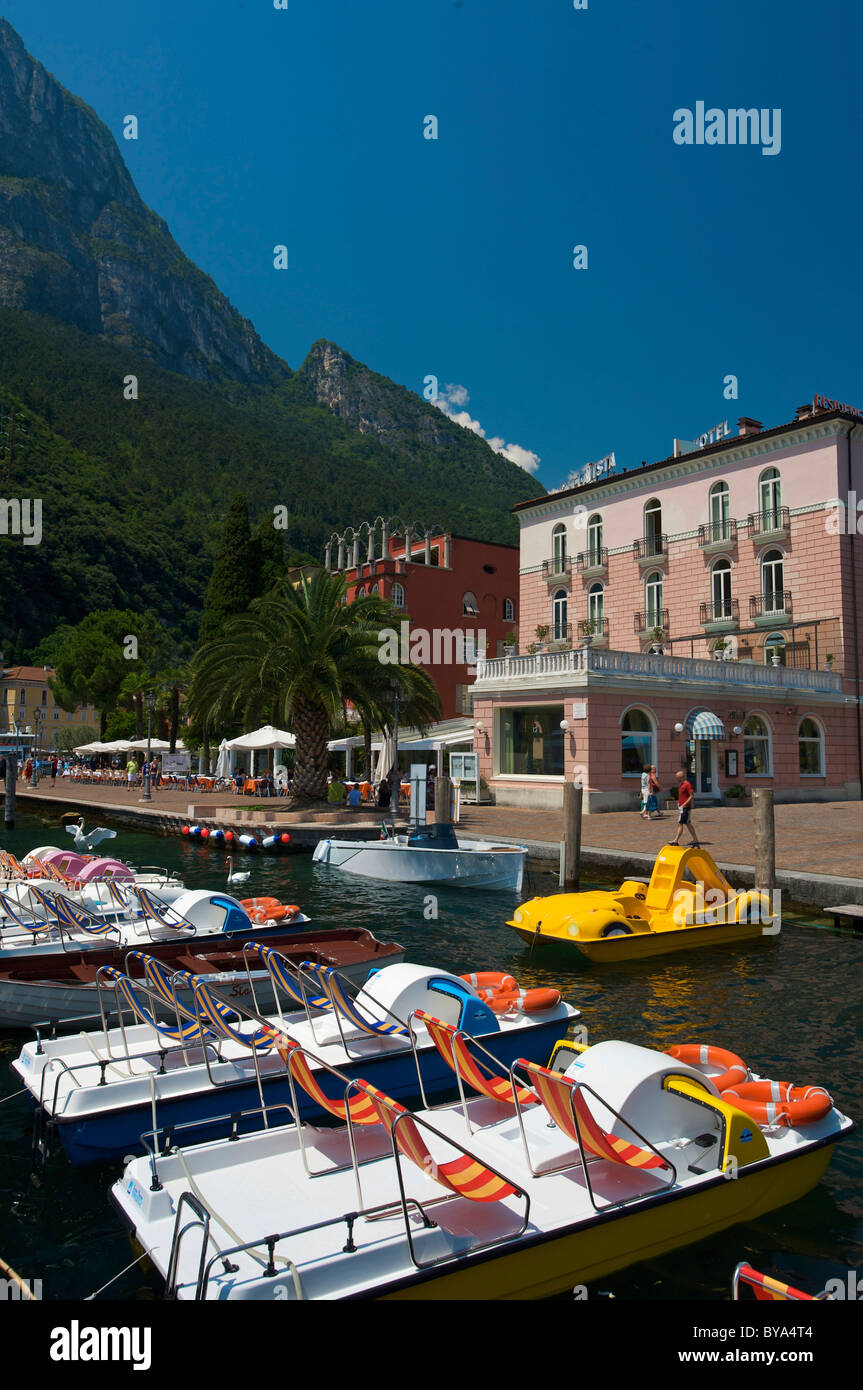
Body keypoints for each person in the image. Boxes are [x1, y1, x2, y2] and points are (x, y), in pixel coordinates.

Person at [671, 769, 700, 847]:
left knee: (680, 823)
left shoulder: (687, 784)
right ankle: (695, 840)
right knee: (688, 823)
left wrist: (684, 804)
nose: (676, 779)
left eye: (677, 777)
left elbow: (691, 796)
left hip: (685, 808)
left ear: (682, 777)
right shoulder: (682, 784)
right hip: (682, 807)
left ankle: (676, 840)